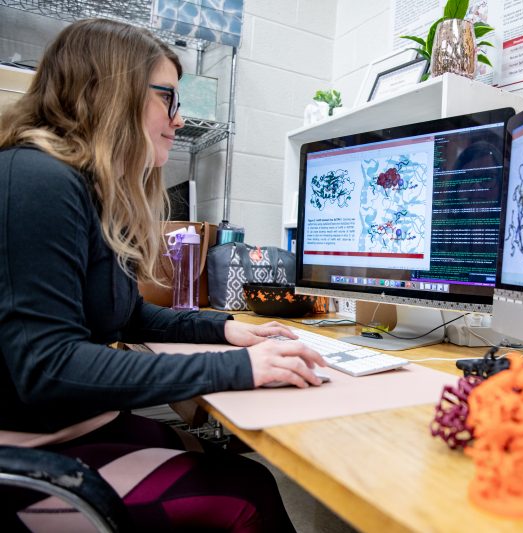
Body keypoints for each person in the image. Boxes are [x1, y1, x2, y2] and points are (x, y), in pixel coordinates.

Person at [0, 18, 326, 531]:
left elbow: (127, 316)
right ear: (110, 92)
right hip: (27, 456)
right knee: (248, 489)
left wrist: (225, 331)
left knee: (209, 453)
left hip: (65, 429)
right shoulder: (35, 181)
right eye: (168, 99)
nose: (178, 119)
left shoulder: (84, 189)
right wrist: (240, 370)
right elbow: (49, 366)